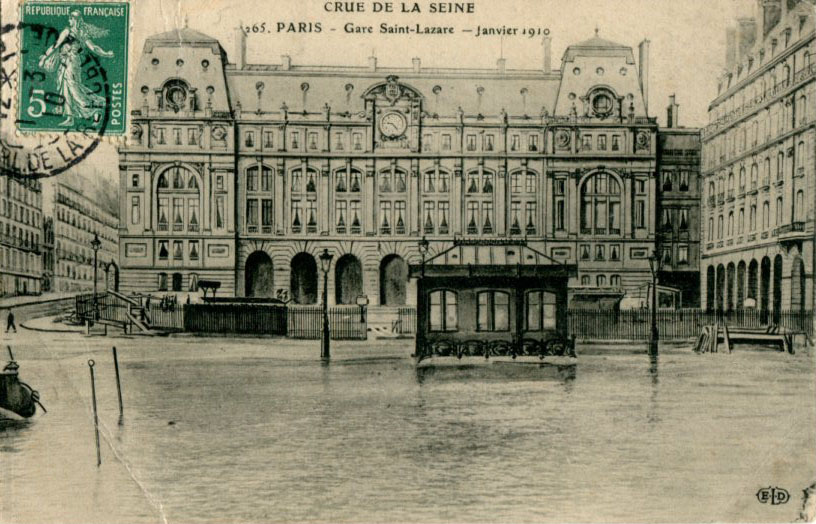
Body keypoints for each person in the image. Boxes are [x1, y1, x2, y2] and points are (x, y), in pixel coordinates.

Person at [37, 10, 113, 126]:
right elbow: (94, 48)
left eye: (71, 18)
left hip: (70, 63)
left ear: (73, 19)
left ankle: (94, 110)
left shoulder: (68, 31)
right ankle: (70, 117)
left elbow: (55, 45)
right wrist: (106, 53)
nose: (69, 20)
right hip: (71, 63)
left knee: (73, 89)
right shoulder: (82, 33)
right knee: (67, 89)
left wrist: (44, 58)